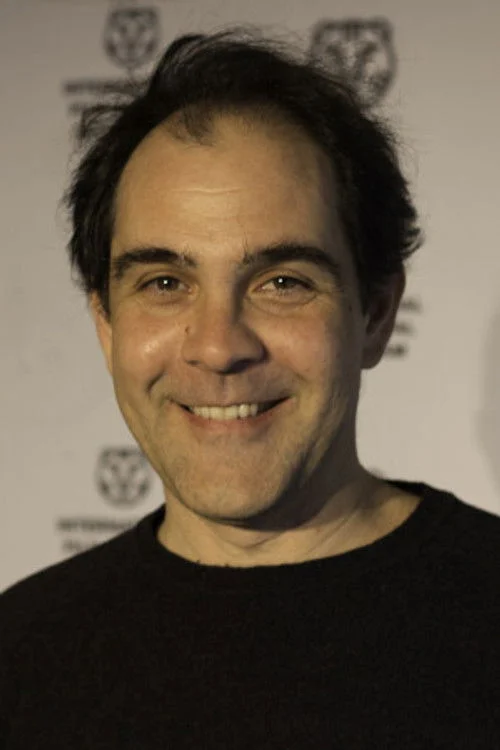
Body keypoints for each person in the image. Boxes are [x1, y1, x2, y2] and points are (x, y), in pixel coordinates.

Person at [1, 28, 499, 749]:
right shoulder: (21, 658)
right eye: (164, 283)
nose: (218, 346)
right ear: (106, 325)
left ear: (375, 314)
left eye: (282, 282)